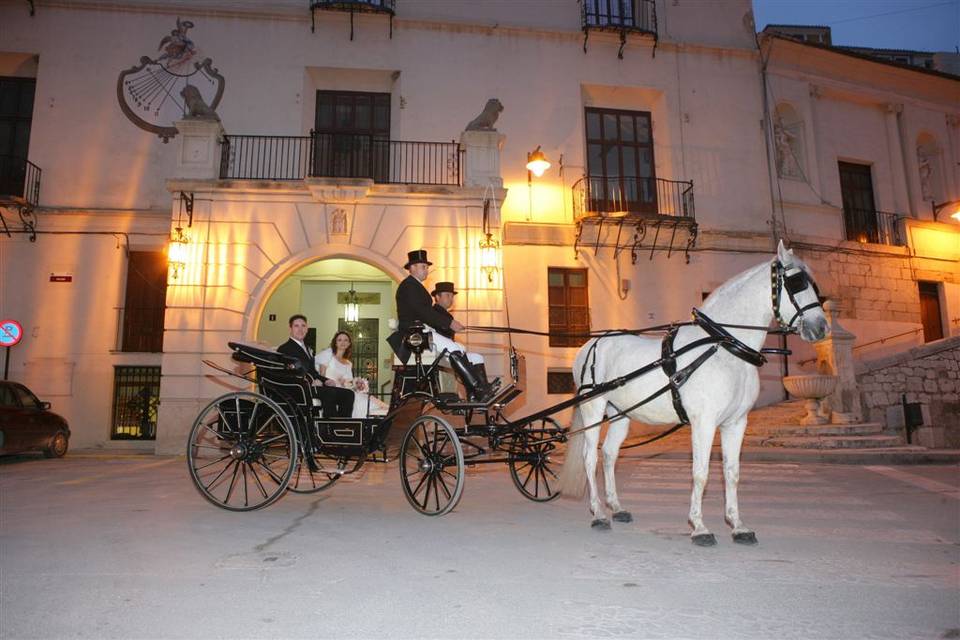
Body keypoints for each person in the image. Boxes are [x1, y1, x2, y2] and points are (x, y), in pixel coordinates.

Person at [388, 249, 497, 402]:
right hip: (415, 336)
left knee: (464, 351)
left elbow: (425, 313)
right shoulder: (409, 286)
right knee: (454, 348)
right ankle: (479, 389)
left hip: (423, 332)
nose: (426, 270)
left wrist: (448, 323)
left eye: (426, 267)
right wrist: (449, 323)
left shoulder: (415, 286)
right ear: (412, 268)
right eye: (423, 267)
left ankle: (474, 393)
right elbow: (423, 312)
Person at [276, 314, 354, 418]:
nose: (300, 329)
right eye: (296, 326)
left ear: (307, 329)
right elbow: (290, 372)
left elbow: (313, 372)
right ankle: (329, 426)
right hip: (298, 388)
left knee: (349, 394)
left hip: (309, 386)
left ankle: (341, 425)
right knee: (329, 393)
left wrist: (325, 380)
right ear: (290, 328)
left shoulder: (307, 349)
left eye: (303, 326)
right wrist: (310, 380)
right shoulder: (285, 349)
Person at [315, 331, 389, 417]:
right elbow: (321, 375)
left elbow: (348, 382)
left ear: (349, 343)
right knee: (361, 400)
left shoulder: (348, 363)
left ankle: (386, 410)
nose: (343, 342)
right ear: (335, 342)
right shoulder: (328, 354)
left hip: (344, 390)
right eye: (339, 340)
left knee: (367, 397)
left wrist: (357, 384)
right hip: (330, 388)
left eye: (346, 340)